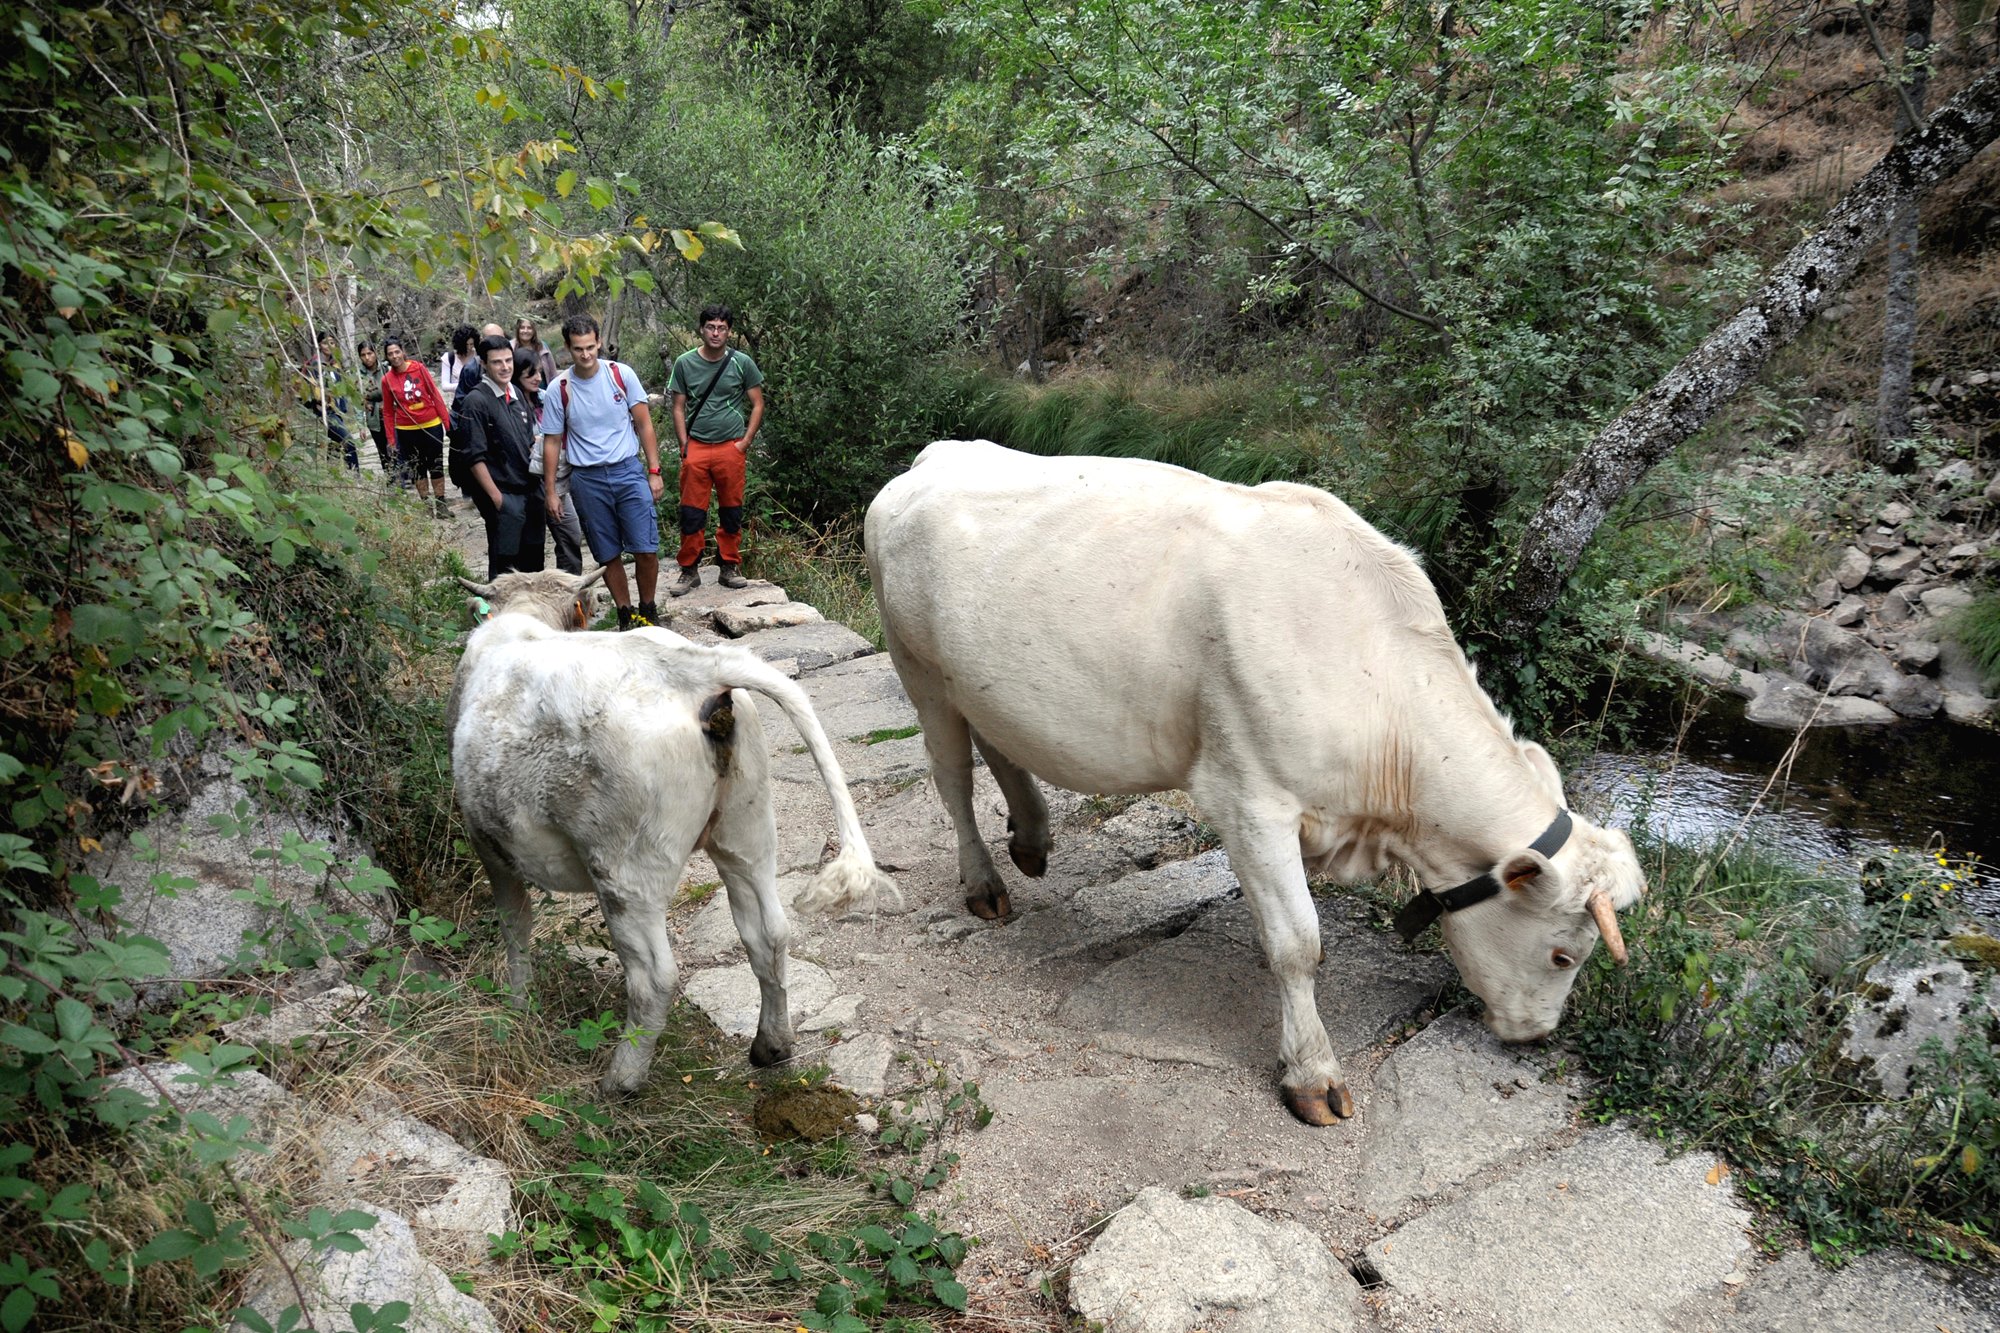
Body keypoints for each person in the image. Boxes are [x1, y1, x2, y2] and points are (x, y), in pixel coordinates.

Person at [540, 314, 666, 630]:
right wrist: (552, 490)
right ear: (568, 348)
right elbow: (552, 441)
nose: (586, 355)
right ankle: (625, 614)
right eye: (579, 349)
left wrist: (654, 470)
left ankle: (647, 609)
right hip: (587, 479)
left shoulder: (620, 375)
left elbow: (644, 423)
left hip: (627, 470)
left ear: (599, 342)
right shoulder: (560, 388)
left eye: (591, 347)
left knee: (646, 547)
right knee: (607, 552)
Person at [666, 303, 764, 595]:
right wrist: (684, 444)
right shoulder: (684, 363)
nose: (716, 333)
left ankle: (729, 566)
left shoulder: (741, 362)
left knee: (731, 510)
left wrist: (745, 442)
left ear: (729, 332)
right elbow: (678, 406)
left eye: (722, 328)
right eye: (711, 327)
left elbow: (757, 403)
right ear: (701, 329)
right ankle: (689, 571)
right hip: (696, 446)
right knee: (692, 512)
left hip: (730, 448)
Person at [451, 335, 547, 577]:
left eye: (508, 360)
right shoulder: (476, 401)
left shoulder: (515, 392)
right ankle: (501, 614)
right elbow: (474, 456)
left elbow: (527, 441)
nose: (505, 367)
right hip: (504, 495)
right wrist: (497, 499)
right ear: (483, 363)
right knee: (506, 567)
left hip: (529, 490)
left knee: (533, 561)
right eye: (497, 362)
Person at [516, 357, 582, 575]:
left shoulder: (546, 398)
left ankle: (570, 590)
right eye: (530, 374)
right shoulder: (512, 404)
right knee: (532, 547)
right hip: (526, 482)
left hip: (555, 477)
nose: (537, 379)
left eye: (538, 373)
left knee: (570, 532)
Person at [381, 336, 453, 519]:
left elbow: (434, 394)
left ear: (403, 351)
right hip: (406, 429)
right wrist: (391, 439)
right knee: (417, 468)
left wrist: (447, 423)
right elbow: (388, 412)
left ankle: (441, 504)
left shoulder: (418, 368)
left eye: (397, 352)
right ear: (387, 357)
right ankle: (427, 506)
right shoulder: (387, 380)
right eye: (390, 354)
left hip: (431, 424)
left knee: (436, 465)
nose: (395, 356)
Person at [302, 331, 360, 470]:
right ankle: (355, 476)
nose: (329, 346)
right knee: (348, 441)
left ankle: (333, 481)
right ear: (319, 345)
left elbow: (341, 389)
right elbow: (305, 391)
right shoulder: (313, 365)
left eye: (332, 343)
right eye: (325, 342)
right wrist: (317, 406)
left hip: (338, 411)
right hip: (325, 412)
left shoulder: (335, 364)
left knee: (334, 446)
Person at [355, 339, 400, 484]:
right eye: (363, 355)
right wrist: (361, 425)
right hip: (374, 416)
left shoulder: (387, 368)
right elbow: (358, 400)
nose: (367, 358)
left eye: (370, 353)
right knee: (382, 450)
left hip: (392, 414)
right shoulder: (359, 375)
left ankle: (404, 476)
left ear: (375, 353)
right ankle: (391, 478)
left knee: (396, 446)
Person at [454, 322, 508, 407]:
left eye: (500, 338)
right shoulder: (472, 369)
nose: (497, 343)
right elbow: (461, 402)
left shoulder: (513, 363)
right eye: (492, 339)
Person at [514, 316, 559, 383]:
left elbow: (553, 373)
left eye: (529, 328)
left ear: (534, 330)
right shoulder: (511, 347)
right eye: (522, 328)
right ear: (518, 330)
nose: (525, 331)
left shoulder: (542, 346)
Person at [440, 325, 476, 408]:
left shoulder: (478, 355)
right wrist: (467, 385)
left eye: (471, 344)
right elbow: (445, 386)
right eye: (466, 344)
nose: (469, 347)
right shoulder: (449, 358)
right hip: (456, 405)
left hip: (476, 404)